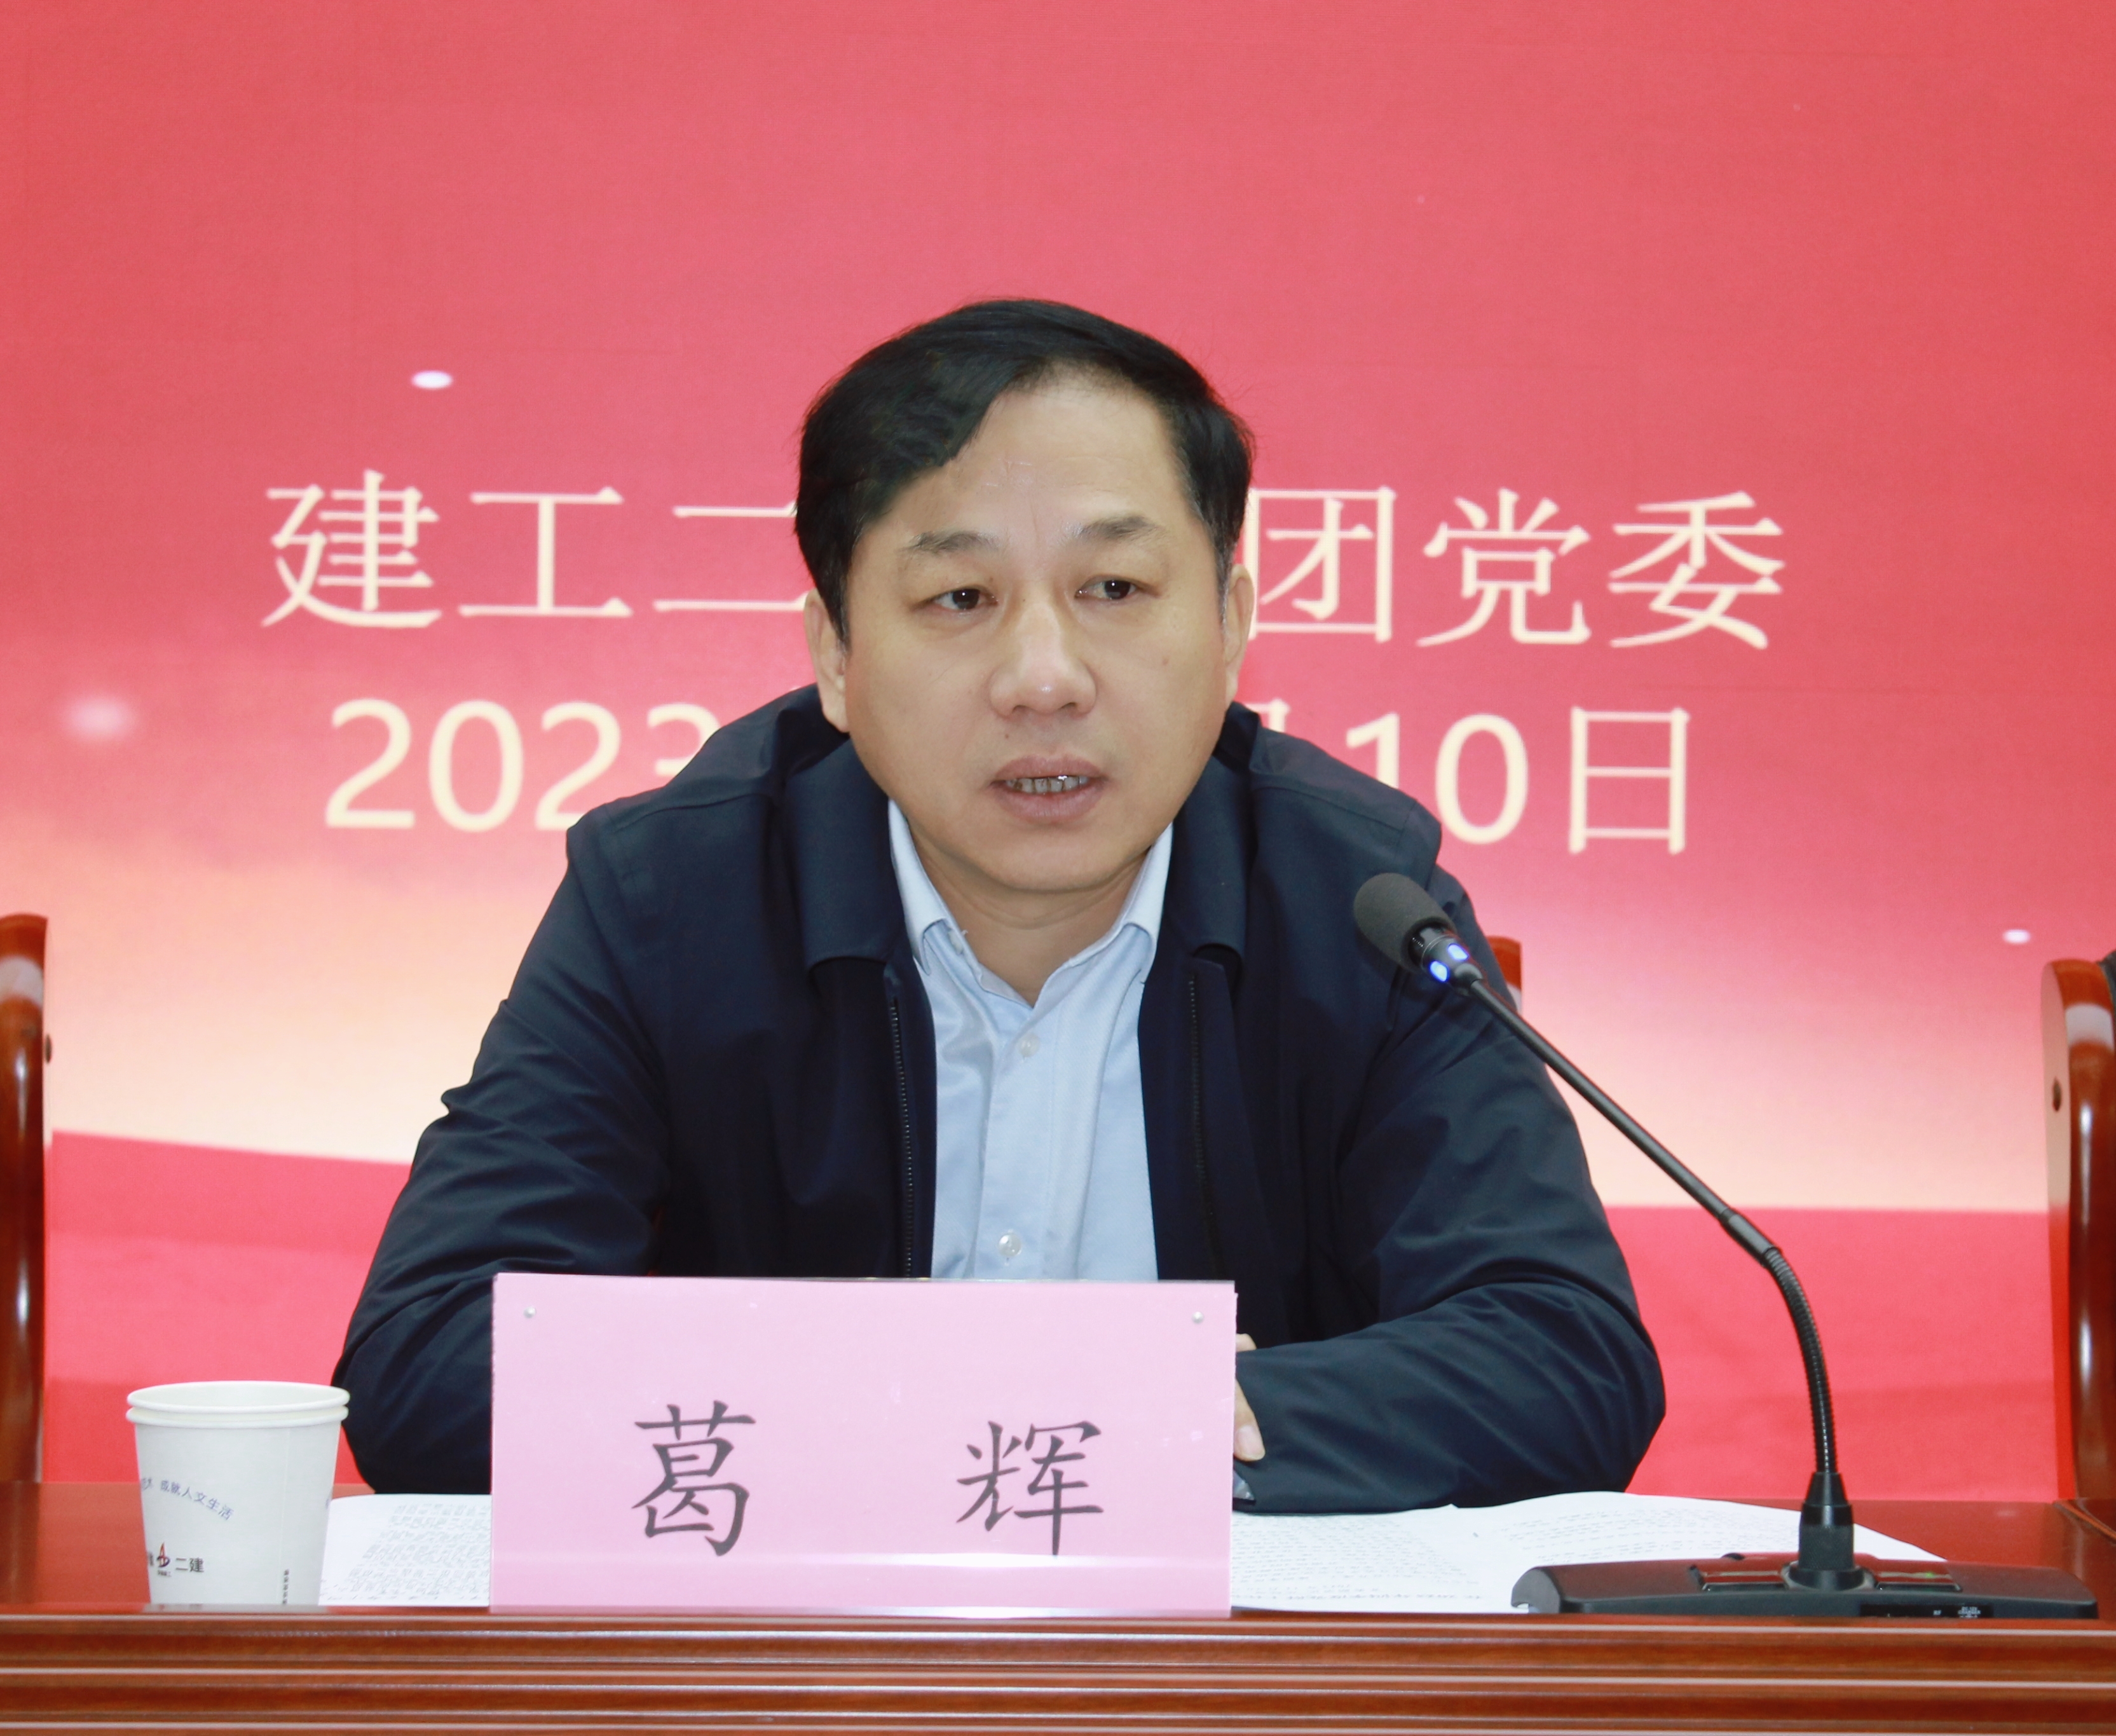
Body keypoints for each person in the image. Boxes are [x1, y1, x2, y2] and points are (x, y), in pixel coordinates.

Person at [336, 299, 1663, 1511]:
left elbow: (1565, 1358)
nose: (1044, 678)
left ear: (1231, 624)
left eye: (1115, 590)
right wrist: (990, 1410)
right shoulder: (673, 900)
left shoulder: (1358, 904)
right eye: (960, 598)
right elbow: (429, 1361)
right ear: (836, 655)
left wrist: (1166, 1424)